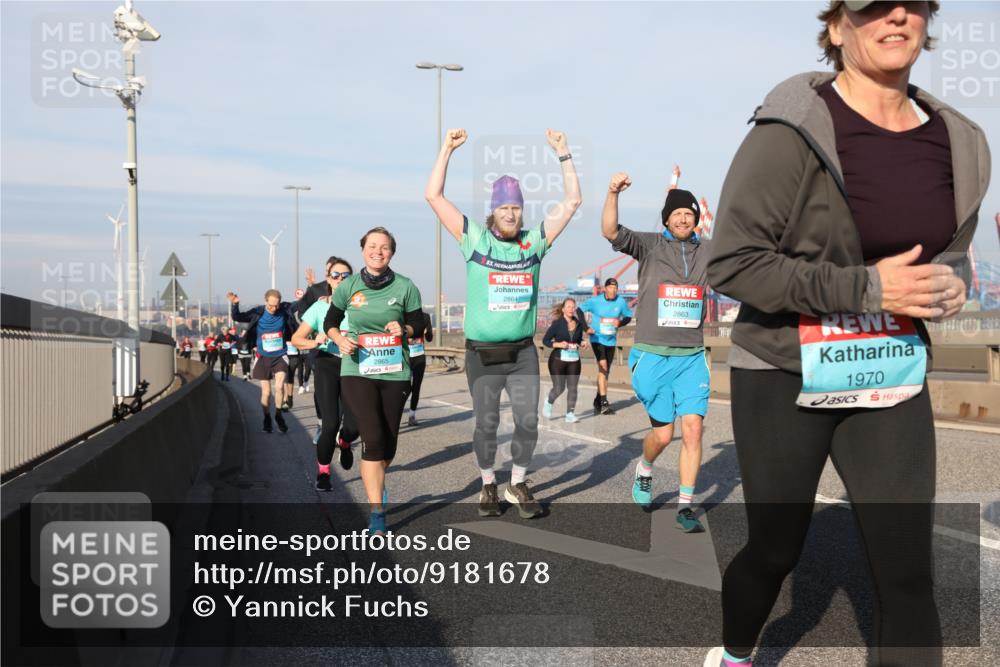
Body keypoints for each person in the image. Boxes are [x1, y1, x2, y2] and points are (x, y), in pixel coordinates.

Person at [703, 3, 989, 666]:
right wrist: (866, 288)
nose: (895, 16)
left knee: (907, 572)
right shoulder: (792, 130)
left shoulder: (961, 140)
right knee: (776, 547)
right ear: (837, 28)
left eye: (911, 4)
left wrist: (950, 284)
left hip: (888, 369)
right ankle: (737, 651)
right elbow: (733, 262)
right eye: (871, 8)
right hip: (782, 370)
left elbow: (949, 255)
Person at [426, 127, 581, 519]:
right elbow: (434, 196)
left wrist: (563, 153)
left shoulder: (535, 242)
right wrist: (446, 149)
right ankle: (488, 485)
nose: (511, 213)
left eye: (516, 208)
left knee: (529, 422)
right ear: (493, 210)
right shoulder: (475, 239)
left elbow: (573, 200)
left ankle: (518, 483)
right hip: (482, 354)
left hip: (522, 353)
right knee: (487, 426)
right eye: (504, 208)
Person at [602, 177, 711, 534]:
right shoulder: (648, 246)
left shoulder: (708, 251)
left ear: (696, 219)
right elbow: (610, 230)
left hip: (692, 355)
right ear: (666, 220)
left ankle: (685, 506)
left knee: (693, 429)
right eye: (676, 214)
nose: (683, 219)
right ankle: (645, 468)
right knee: (663, 436)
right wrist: (613, 193)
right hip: (652, 354)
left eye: (688, 214)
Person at [324, 228, 424, 535]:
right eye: (372, 246)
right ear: (363, 250)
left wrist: (404, 329)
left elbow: (419, 322)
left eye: (384, 247)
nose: (377, 251)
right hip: (357, 370)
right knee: (374, 439)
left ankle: (376, 480)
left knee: (389, 445)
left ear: (392, 253)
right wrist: (339, 338)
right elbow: (331, 321)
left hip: (395, 372)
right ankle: (377, 513)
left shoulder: (406, 286)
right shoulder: (349, 286)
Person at [291, 256, 358, 490]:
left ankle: (346, 442)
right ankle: (324, 473)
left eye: (346, 275)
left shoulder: (361, 307)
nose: (340, 279)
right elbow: (297, 339)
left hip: (354, 366)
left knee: (353, 426)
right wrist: (316, 342)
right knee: (329, 424)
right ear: (328, 280)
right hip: (327, 365)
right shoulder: (320, 307)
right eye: (335, 275)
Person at [228, 289, 298, 434]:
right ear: (266, 301)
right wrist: (235, 304)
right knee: (266, 392)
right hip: (262, 356)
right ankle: (267, 417)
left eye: (276, 305)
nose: (274, 308)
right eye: (271, 305)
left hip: (280, 355)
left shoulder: (284, 309)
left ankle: (278, 415)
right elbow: (238, 317)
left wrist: (310, 287)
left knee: (279, 387)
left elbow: (302, 303)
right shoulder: (258, 312)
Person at [578, 277, 633, 414]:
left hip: (611, 340)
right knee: (603, 366)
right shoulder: (595, 301)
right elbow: (579, 310)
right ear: (605, 288)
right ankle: (603, 402)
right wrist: (585, 328)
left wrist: (620, 323)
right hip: (597, 338)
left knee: (605, 371)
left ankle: (597, 399)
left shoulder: (620, 301)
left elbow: (628, 316)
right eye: (610, 288)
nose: (613, 291)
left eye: (615, 288)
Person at [541, 298, 589, 423]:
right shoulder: (557, 324)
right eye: (568, 307)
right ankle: (549, 401)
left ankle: (570, 414)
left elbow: (577, 339)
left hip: (574, 359)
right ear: (563, 309)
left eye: (573, 307)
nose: (571, 309)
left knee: (573, 388)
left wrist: (582, 342)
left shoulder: (578, 323)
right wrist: (558, 344)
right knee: (559, 388)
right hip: (557, 360)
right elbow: (545, 340)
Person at [407, 309, 433, 426]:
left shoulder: (425, 317)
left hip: (419, 356)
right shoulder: (403, 315)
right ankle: (394, 413)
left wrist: (427, 332)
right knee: (404, 387)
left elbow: (429, 338)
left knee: (416, 387)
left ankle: (412, 415)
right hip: (405, 357)